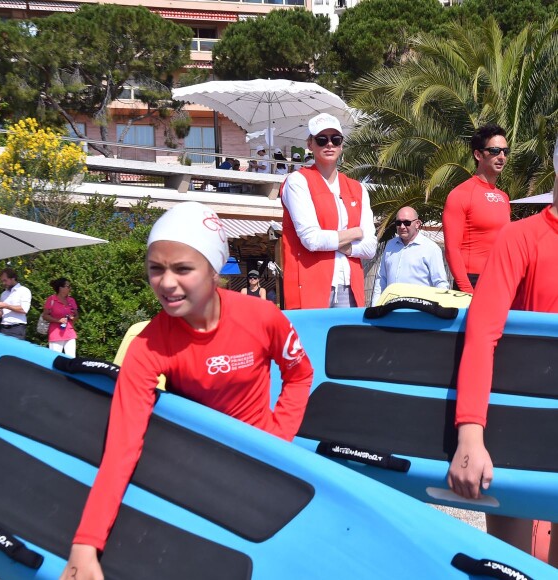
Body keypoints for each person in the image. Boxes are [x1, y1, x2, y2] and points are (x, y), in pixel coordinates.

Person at [59, 201, 313, 579]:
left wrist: (276, 441)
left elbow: (300, 376)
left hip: (262, 466)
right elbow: (123, 444)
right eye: (156, 269)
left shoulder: (262, 317)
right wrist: (86, 542)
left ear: (214, 272)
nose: (166, 282)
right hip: (197, 473)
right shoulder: (148, 348)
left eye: (182, 269)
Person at [447, 172, 558, 564]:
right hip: (521, 421)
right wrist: (470, 436)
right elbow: (481, 334)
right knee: (510, 563)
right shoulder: (521, 237)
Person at [281, 113, 377, 309]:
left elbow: (370, 248)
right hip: (310, 285)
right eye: (322, 139)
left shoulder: (358, 189)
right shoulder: (297, 181)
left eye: (336, 139)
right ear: (310, 144)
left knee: (349, 339)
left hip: (349, 287)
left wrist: (345, 246)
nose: (329, 144)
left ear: (342, 145)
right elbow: (311, 240)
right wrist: (354, 233)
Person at [443, 124, 511, 293]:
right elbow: (452, 250)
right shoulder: (460, 194)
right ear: (478, 154)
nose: (501, 156)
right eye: (495, 151)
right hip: (471, 282)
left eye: (505, 151)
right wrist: (467, 290)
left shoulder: (503, 197)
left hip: (500, 281)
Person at [371, 206, 449, 306]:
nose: (402, 226)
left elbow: (440, 283)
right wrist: (375, 306)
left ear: (417, 224)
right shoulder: (390, 246)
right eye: (398, 223)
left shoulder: (431, 249)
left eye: (407, 223)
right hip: (390, 311)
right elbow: (381, 278)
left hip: (419, 312)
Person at [0, 267, 31, 340]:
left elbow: (24, 309)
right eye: (2, 281)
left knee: (16, 351)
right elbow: (0, 315)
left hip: (17, 328)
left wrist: (6, 306)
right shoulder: (4, 294)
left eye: (5, 280)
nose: (3, 283)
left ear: (13, 278)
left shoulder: (24, 291)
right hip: (4, 328)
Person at [42, 277, 79, 357]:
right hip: (56, 334)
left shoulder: (71, 300)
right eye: (68, 286)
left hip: (70, 333)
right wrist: (58, 320)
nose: (70, 288)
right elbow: (45, 315)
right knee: (54, 358)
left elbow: (76, 315)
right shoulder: (51, 299)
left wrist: (73, 317)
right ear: (60, 288)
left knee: (71, 358)